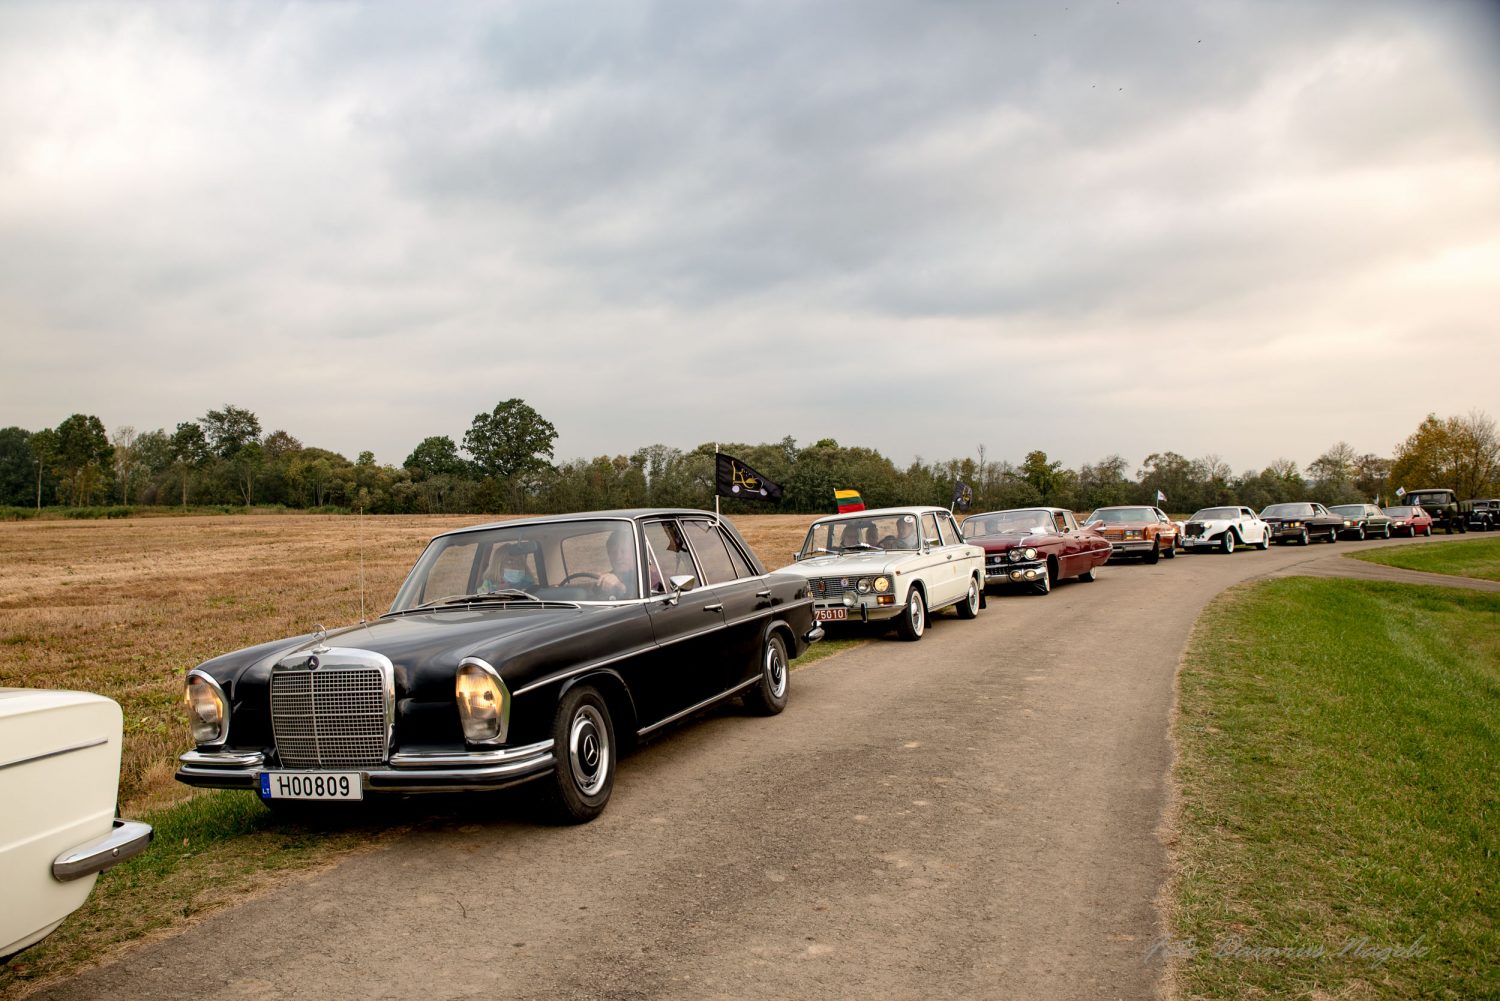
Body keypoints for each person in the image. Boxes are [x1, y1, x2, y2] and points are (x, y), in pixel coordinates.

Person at [597, 530, 639, 600]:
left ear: (633, 553)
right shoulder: (605, 580)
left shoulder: (645, 577)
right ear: (609, 555)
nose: (618, 557)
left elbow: (639, 599)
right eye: (614, 552)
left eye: (623, 551)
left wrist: (620, 586)